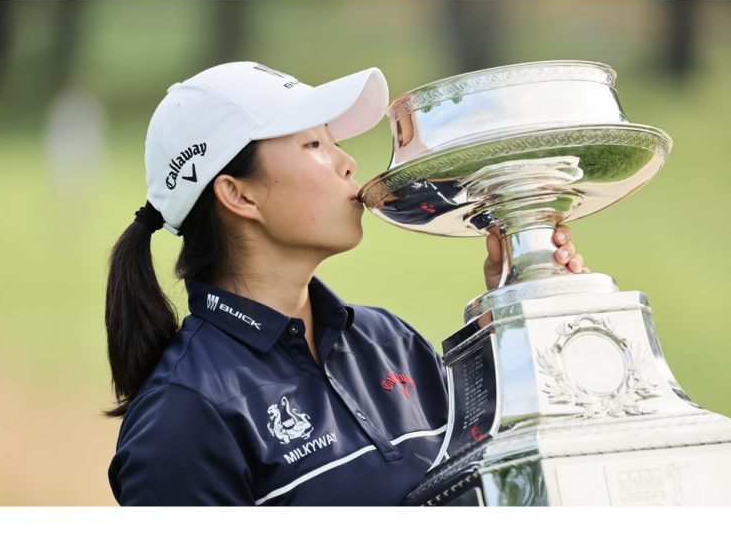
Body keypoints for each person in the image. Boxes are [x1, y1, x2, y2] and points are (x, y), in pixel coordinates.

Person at [105, 61, 585, 506]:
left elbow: (500, 483)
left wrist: (517, 318)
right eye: (313, 145)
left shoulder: (389, 340)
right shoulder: (182, 415)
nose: (348, 162)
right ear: (238, 194)